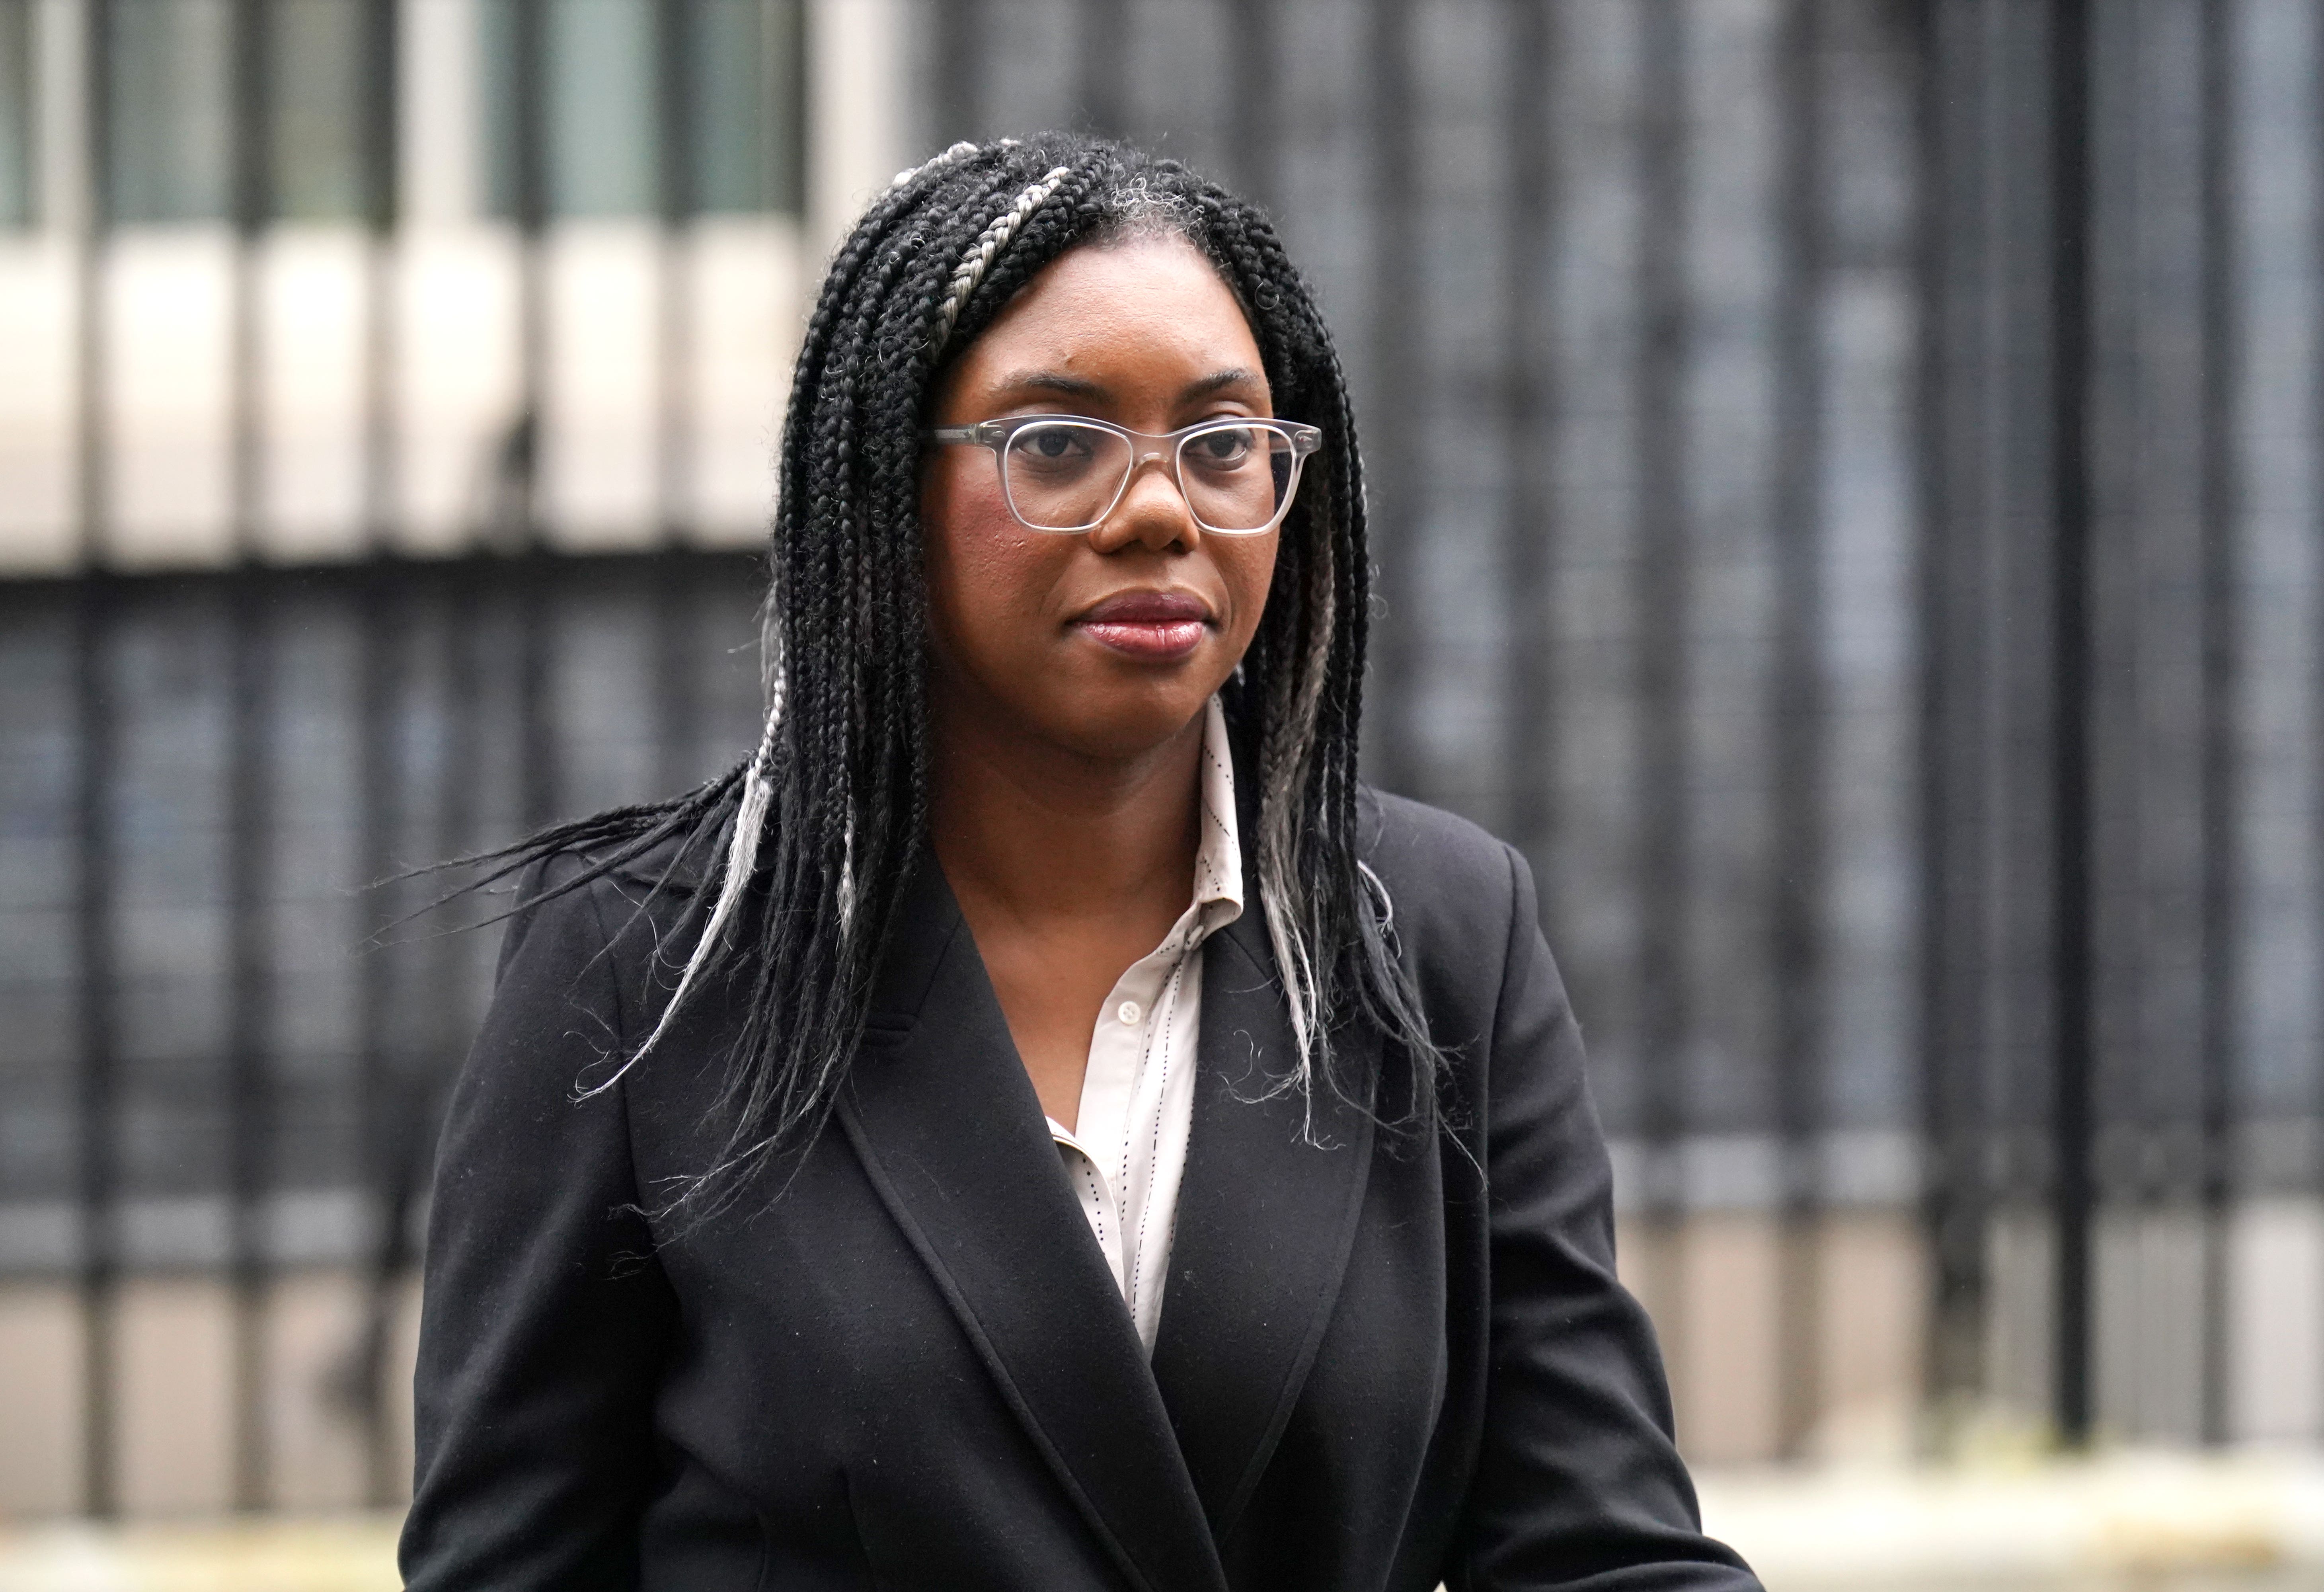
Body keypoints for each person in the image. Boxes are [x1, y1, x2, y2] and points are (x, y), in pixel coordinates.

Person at [400, 134, 1760, 1592]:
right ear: (887, 495)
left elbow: (1594, 1552)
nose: (1165, 509)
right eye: (1058, 444)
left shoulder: (1433, 937)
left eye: (1225, 444)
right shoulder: (648, 972)